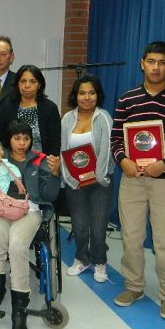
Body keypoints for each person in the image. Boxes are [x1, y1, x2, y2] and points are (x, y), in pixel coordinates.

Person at [110, 41, 165, 319]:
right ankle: (134, 286)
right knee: (131, 237)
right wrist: (123, 160)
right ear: (142, 63)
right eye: (151, 61)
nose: (156, 67)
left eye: (162, 62)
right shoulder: (127, 99)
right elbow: (115, 139)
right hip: (132, 180)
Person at [0, 119, 60, 329]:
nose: (22, 143)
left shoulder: (39, 161)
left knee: (17, 246)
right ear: (8, 140)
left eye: (26, 138)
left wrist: (54, 174)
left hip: (29, 211)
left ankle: (19, 312)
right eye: (17, 138)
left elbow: (50, 196)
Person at [48, 74, 114, 282]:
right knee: (79, 224)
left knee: (98, 226)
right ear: (75, 96)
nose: (87, 97)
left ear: (98, 95)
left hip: (100, 182)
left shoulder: (103, 117)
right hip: (75, 182)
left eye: (92, 93)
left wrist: (99, 176)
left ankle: (100, 262)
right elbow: (63, 151)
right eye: (82, 93)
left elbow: (107, 149)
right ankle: (82, 259)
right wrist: (69, 178)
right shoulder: (67, 119)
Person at [0, 64, 61, 156]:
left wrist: (51, 164)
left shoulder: (49, 108)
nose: (27, 85)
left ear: (39, 85)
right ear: (17, 84)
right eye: (23, 81)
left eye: (32, 81)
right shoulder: (7, 106)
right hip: (12, 165)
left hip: (41, 164)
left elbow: (55, 141)